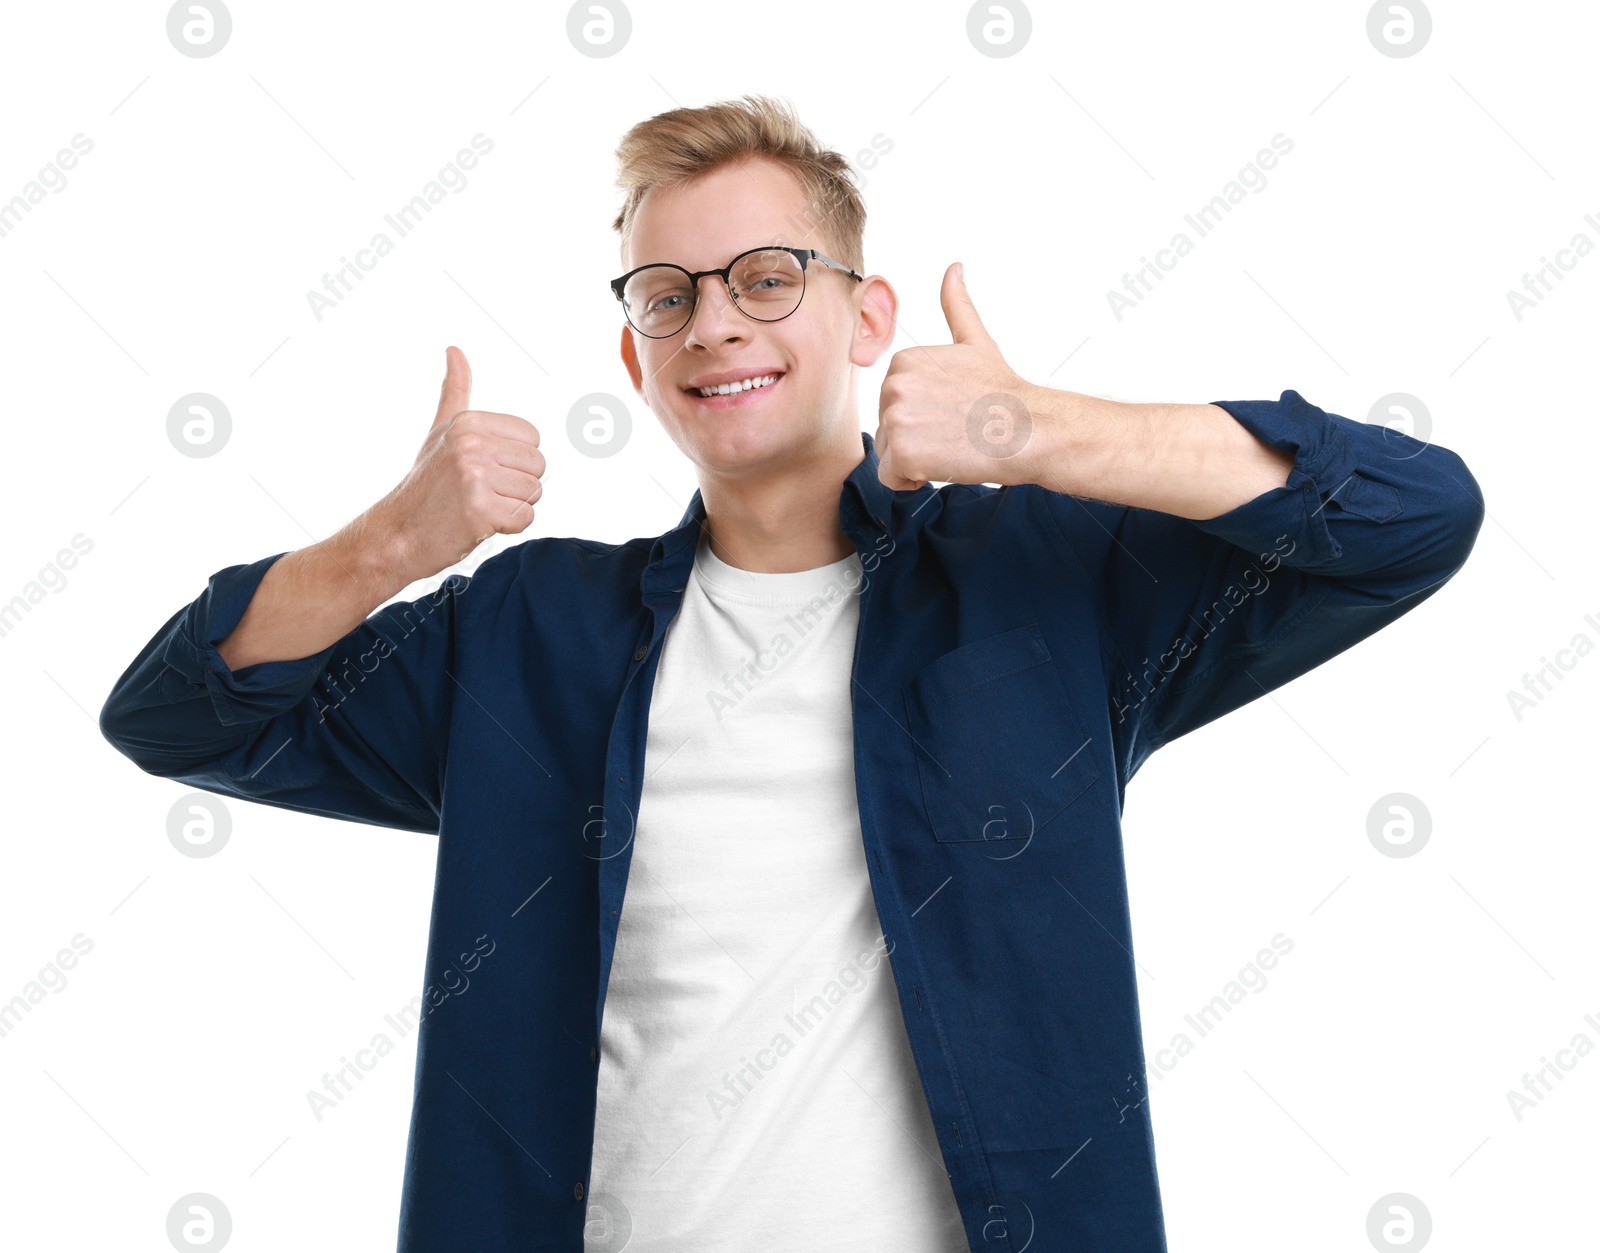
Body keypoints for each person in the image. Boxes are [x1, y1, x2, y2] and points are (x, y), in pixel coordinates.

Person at [99, 94, 1484, 1253]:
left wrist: (1036, 428)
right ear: (634, 350)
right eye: (668, 293)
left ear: (867, 313)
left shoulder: (1038, 592)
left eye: (767, 276)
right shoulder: (527, 637)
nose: (716, 323)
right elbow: (172, 710)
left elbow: (1410, 520)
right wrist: (396, 539)